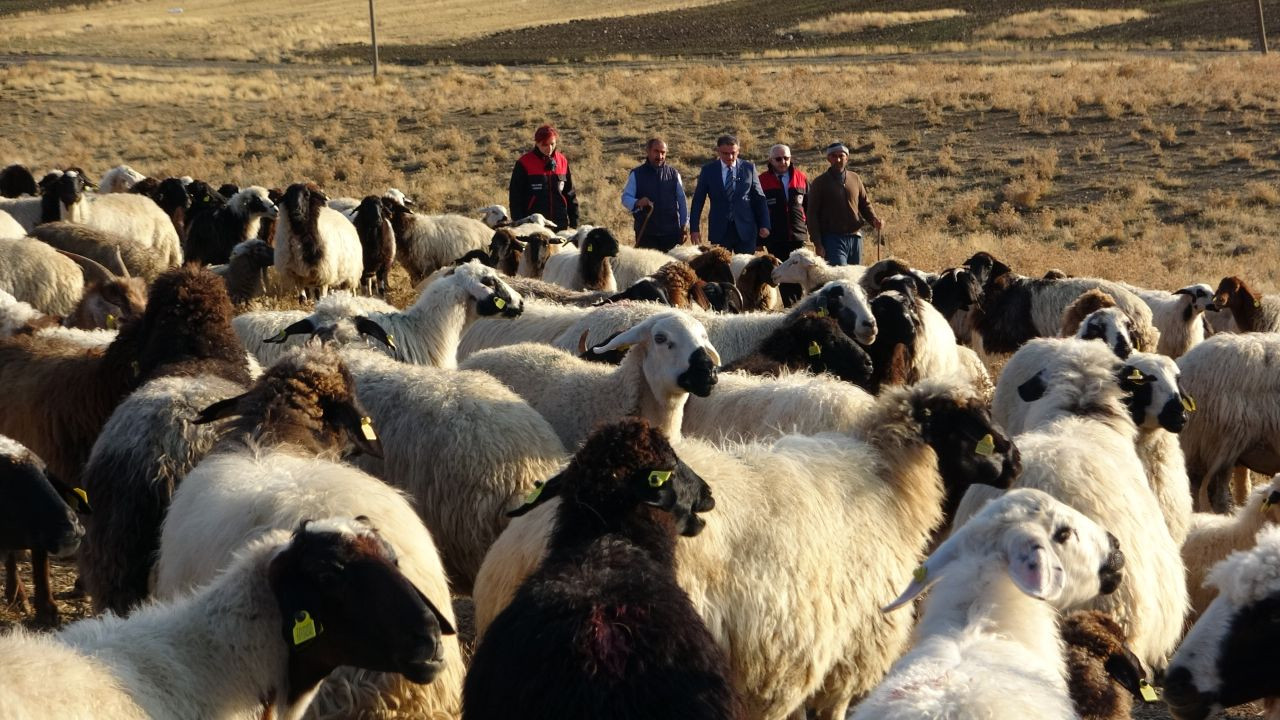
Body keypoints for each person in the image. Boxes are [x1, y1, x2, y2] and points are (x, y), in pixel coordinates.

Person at [805, 141, 884, 266]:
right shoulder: (819, 182)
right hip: (832, 238)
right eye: (834, 156)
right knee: (840, 276)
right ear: (828, 159)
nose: (838, 159)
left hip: (855, 237)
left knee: (855, 276)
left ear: (847, 157)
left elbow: (864, 204)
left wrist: (874, 220)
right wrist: (818, 243)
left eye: (841, 155)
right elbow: (812, 214)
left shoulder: (855, 178)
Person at [689, 134, 770, 254]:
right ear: (718, 151)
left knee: (745, 269)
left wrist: (765, 224)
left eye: (734, 153)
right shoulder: (708, 171)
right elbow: (698, 201)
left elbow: (760, 199)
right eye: (725, 153)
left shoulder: (749, 168)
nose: (730, 157)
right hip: (720, 230)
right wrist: (694, 229)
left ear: (738, 150)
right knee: (721, 269)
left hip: (746, 230)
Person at [758, 143, 809, 305]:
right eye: (778, 159)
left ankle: (803, 306)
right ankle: (790, 308)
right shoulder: (762, 180)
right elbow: (757, 210)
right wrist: (758, 240)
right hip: (775, 237)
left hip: (797, 235)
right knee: (784, 275)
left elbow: (809, 206)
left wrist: (809, 230)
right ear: (771, 160)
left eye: (786, 158)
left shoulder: (801, 178)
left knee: (801, 273)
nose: (783, 162)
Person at [620, 137, 688, 252]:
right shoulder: (636, 174)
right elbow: (625, 198)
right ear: (648, 151)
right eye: (656, 151)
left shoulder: (674, 174)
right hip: (646, 234)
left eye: (663, 152)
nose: (660, 156)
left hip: (671, 234)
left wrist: (684, 226)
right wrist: (637, 202)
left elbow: (682, 202)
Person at [509, 124, 579, 231]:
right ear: (537, 143)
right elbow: (515, 197)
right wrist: (519, 223)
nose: (549, 148)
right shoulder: (524, 163)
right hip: (533, 225)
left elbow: (569, 194)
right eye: (544, 145)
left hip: (560, 224)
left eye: (552, 144)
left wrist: (574, 222)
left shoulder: (562, 161)